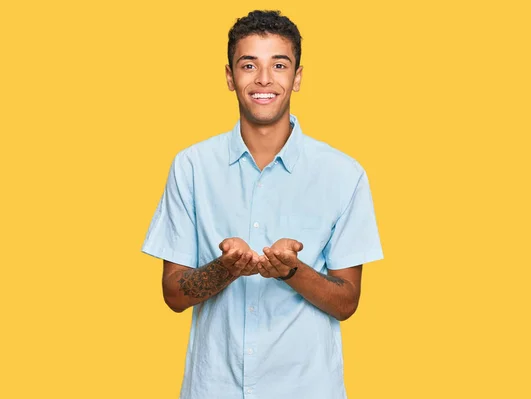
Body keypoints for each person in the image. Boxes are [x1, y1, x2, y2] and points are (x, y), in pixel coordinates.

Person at [141, 10, 383, 399]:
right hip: (212, 389)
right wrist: (225, 268)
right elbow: (173, 295)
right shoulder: (191, 167)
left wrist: (292, 271)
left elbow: (347, 302)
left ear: (297, 77)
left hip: (308, 389)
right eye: (249, 64)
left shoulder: (343, 174)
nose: (264, 79)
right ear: (229, 76)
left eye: (279, 65)